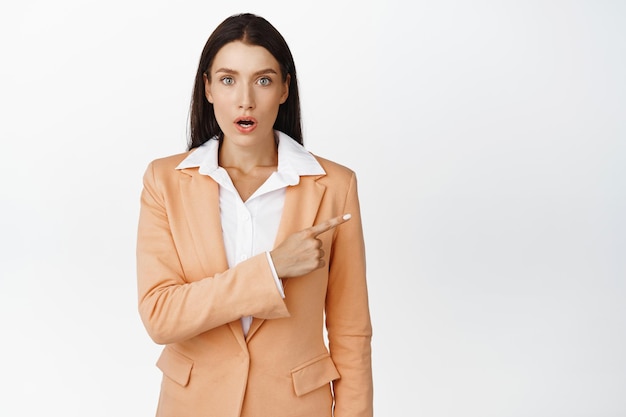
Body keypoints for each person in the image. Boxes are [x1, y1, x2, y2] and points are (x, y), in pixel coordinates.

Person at [136, 12, 372, 417]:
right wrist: (273, 267)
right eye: (228, 79)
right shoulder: (165, 181)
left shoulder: (334, 185)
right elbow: (160, 316)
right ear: (207, 87)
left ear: (284, 88)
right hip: (193, 405)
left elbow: (351, 333)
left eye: (263, 80)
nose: (245, 99)